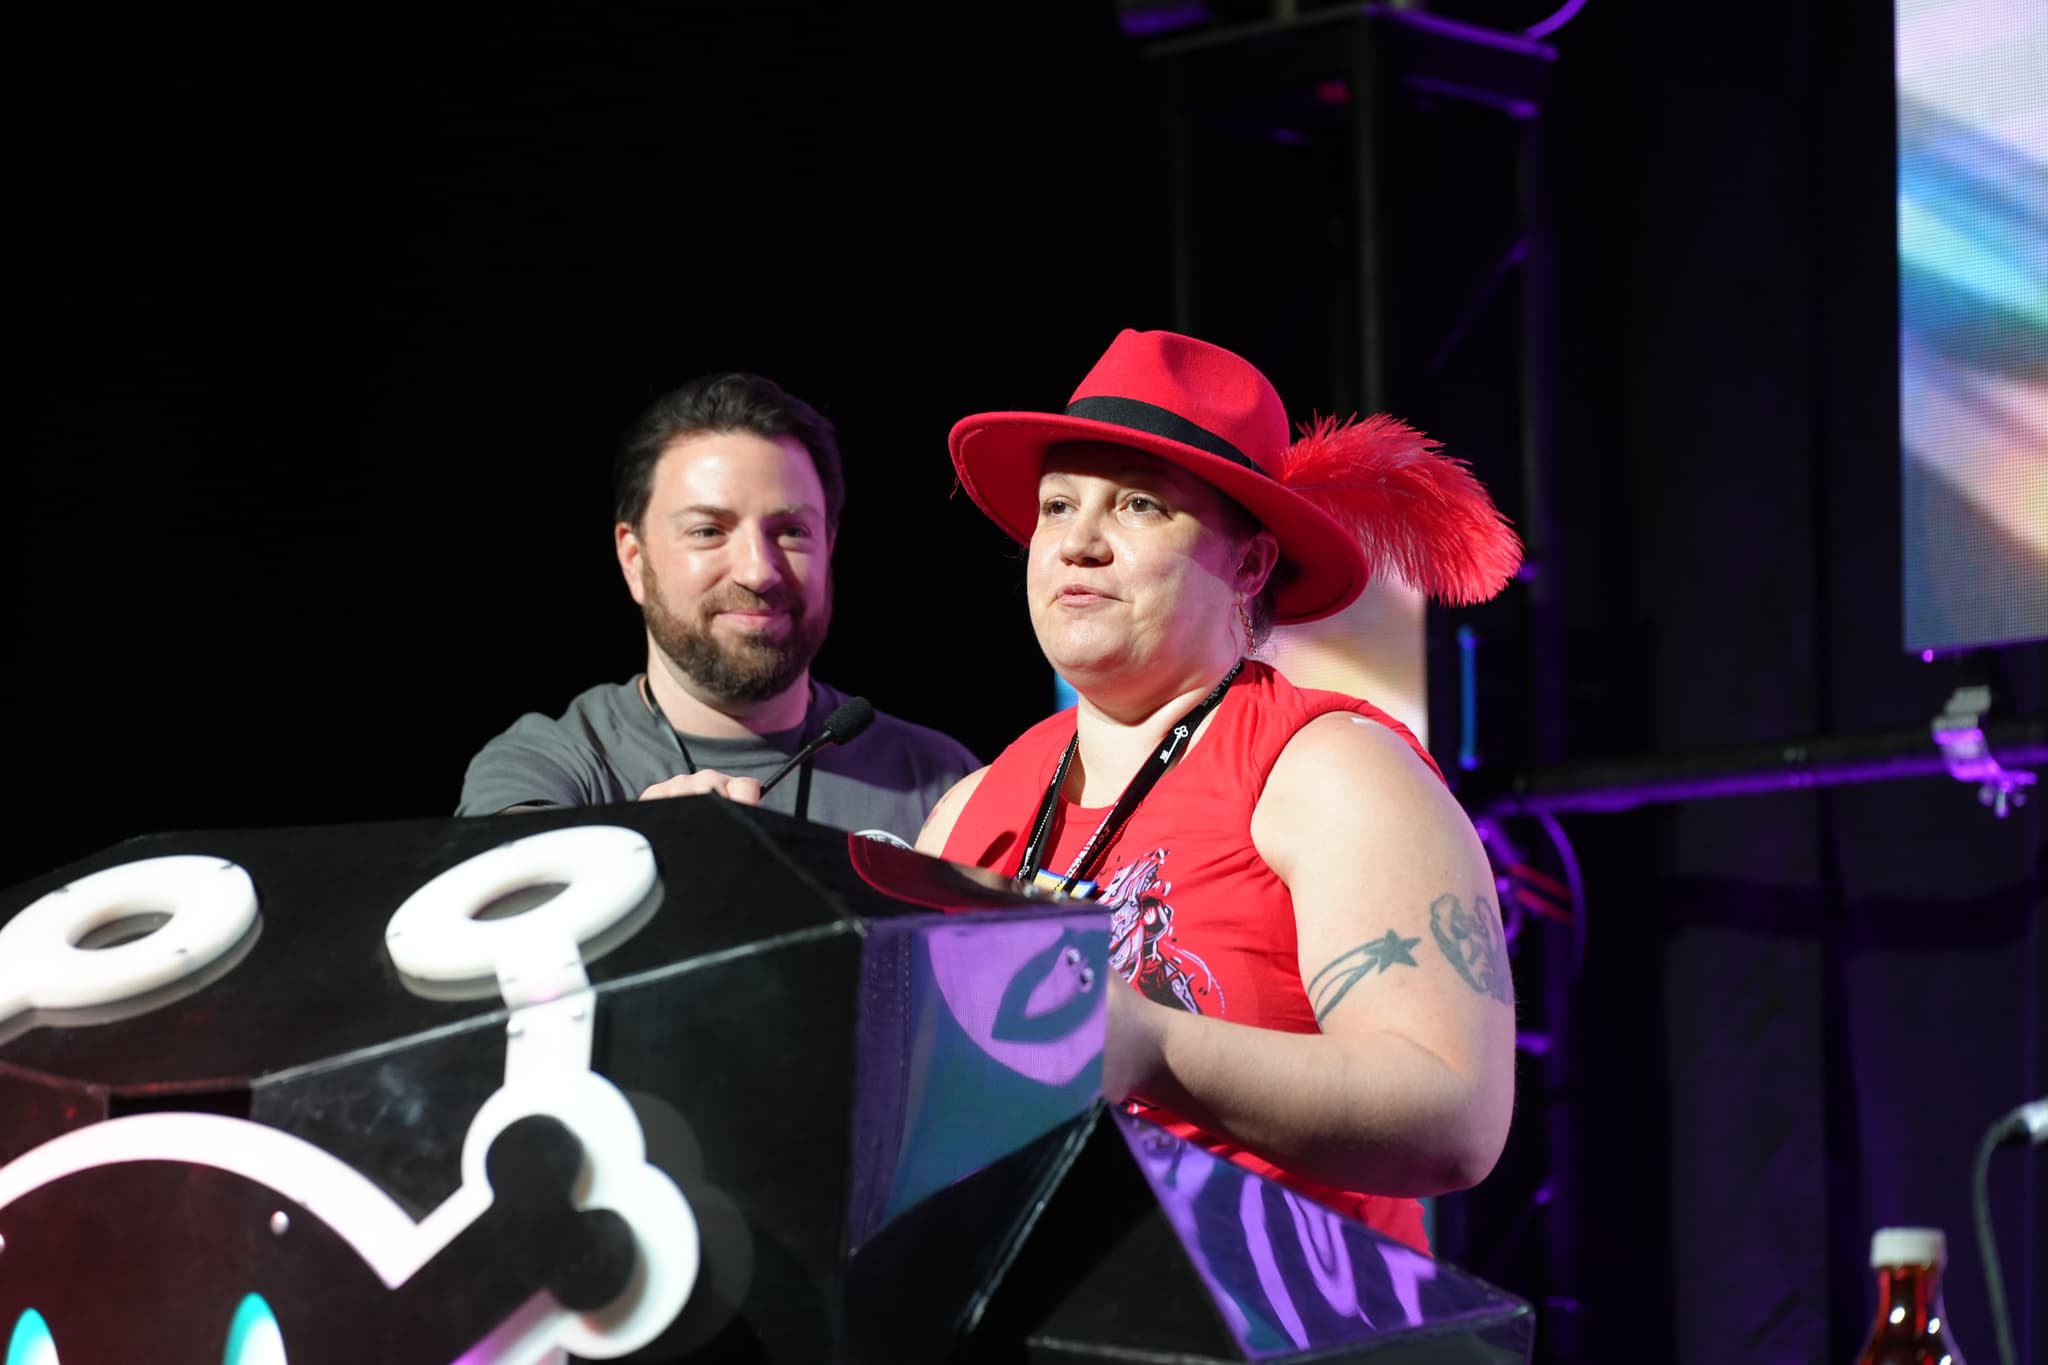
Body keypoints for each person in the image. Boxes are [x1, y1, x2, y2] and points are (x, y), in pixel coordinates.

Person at [917, 329, 1523, 1253]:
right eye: (1057, 505)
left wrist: (1150, 1047)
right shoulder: (968, 810)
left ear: (1248, 565)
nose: (1078, 542)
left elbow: (1457, 1115)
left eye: (1137, 507)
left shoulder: (1330, 767)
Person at [459, 372, 978, 836]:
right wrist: (633, 850)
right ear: (633, 559)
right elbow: (505, 905)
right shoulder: (549, 767)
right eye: (708, 531)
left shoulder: (942, 783)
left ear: (830, 547)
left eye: (792, 532)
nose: (758, 570)